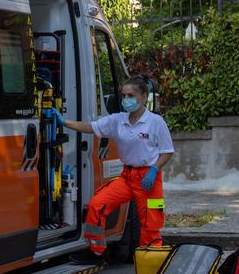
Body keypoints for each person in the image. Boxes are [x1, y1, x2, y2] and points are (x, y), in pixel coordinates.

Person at [56, 74, 174, 253]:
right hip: (127, 178)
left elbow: (167, 152)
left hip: (149, 179)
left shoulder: (156, 122)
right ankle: (96, 251)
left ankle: (151, 262)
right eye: (124, 96)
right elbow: (91, 127)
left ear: (143, 96)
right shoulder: (118, 120)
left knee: (151, 223)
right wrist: (65, 122)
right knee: (97, 204)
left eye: (130, 96)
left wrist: (154, 169)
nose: (126, 100)